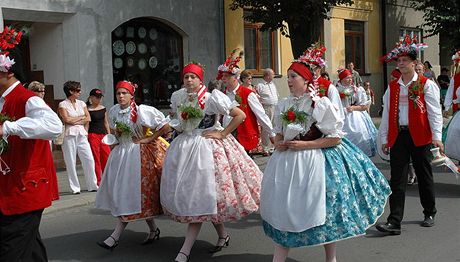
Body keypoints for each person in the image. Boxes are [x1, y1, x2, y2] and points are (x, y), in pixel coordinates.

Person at [260, 49, 391, 262]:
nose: (289, 81)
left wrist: (305, 145)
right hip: (285, 163)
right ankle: (279, 257)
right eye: (288, 76)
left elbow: (335, 138)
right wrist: (278, 142)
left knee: (325, 212)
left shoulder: (319, 103)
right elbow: (278, 132)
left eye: (293, 77)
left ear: (305, 80)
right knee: (283, 208)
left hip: (313, 161)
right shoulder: (285, 103)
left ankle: (331, 258)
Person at [160, 62, 262, 262]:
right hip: (185, 149)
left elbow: (239, 115)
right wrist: (175, 128)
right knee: (206, 198)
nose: (189, 80)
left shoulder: (211, 98)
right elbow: (181, 124)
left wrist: (222, 133)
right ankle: (223, 235)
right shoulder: (179, 97)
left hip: (206, 149)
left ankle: (185, 251)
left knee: (201, 197)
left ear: (200, 79)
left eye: (193, 77)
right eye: (186, 77)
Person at [0, 27, 62, 261]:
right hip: (9, 187)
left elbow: (54, 126)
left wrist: (8, 127)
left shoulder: (27, 99)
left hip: (25, 190)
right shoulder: (4, 100)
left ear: (8, 72)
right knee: (29, 247)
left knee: (11, 251)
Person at [377, 35, 443, 235]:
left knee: (424, 175)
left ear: (415, 63)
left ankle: (429, 211)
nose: (401, 64)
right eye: (399, 61)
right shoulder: (393, 87)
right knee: (397, 179)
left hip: (421, 136)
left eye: (405, 61)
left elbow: (434, 112)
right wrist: (385, 138)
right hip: (399, 135)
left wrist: (437, 137)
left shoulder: (425, 84)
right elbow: (387, 112)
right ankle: (394, 221)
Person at [95, 80, 170, 250]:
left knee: (129, 195)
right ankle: (153, 230)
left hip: (137, 155)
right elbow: (114, 131)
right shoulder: (114, 111)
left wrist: (150, 138)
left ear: (131, 95)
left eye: (124, 93)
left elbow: (165, 126)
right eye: (118, 93)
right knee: (130, 196)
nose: (121, 96)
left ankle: (114, 237)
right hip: (120, 156)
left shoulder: (142, 111)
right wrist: (113, 141)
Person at [218, 50, 275, 154]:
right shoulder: (222, 94)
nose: (223, 78)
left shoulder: (248, 94)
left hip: (243, 136)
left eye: (227, 76)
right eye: (223, 76)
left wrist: (271, 133)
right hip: (225, 136)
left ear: (236, 77)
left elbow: (261, 115)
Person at [58, 81, 98, 194]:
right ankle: (75, 187)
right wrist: (81, 118)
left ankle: (93, 185)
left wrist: (76, 120)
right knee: (70, 161)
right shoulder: (63, 104)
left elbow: (88, 118)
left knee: (89, 159)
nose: (80, 92)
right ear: (71, 91)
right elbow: (66, 120)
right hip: (69, 134)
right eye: (78, 90)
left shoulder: (82, 103)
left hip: (82, 133)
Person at [336, 68, 377, 157]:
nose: (350, 80)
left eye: (351, 78)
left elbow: (364, 106)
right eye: (347, 78)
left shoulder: (357, 90)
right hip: (340, 115)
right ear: (341, 79)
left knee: (358, 134)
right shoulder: (336, 90)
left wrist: (353, 108)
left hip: (355, 116)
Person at [86, 88, 111, 186]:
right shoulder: (87, 109)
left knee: (107, 156)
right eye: (97, 97)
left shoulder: (103, 108)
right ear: (91, 97)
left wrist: (109, 135)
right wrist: (86, 136)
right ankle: (98, 180)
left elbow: (106, 122)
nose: (99, 99)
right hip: (92, 135)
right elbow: (87, 124)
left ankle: (108, 178)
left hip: (103, 135)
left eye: (100, 97)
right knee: (96, 158)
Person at [442, 50, 460, 161]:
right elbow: (450, 92)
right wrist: (447, 106)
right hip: (458, 109)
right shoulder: (455, 78)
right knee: (455, 131)